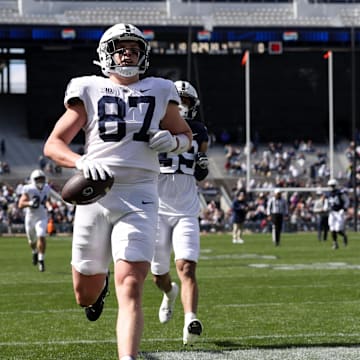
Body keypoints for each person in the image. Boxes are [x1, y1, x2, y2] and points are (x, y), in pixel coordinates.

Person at [43, 23, 192, 360]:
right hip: (94, 192)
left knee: (132, 284)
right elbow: (53, 145)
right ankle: (99, 287)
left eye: (135, 49)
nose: (129, 53)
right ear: (105, 53)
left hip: (140, 192)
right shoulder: (89, 88)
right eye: (121, 48)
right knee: (84, 294)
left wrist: (175, 141)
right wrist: (80, 162)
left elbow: (186, 135)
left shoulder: (160, 89)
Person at [151, 80, 209, 346]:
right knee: (158, 275)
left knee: (186, 267)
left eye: (186, 101)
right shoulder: (152, 126)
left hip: (186, 209)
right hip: (157, 210)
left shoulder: (199, 133)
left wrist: (202, 164)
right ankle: (169, 294)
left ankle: (190, 319)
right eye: (178, 101)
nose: (182, 106)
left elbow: (201, 173)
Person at [18, 169, 63, 272]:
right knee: (32, 241)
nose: (40, 181)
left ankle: (41, 260)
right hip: (30, 218)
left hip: (42, 216)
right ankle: (34, 251)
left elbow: (51, 198)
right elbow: (20, 204)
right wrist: (30, 203)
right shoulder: (28, 189)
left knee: (41, 236)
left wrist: (50, 206)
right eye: (38, 179)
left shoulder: (47, 188)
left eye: (42, 178)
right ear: (33, 180)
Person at [327, 179, 349, 250]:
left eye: (333, 186)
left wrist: (344, 208)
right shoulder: (328, 194)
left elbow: (346, 201)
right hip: (332, 212)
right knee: (332, 228)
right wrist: (326, 208)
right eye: (330, 186)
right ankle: (335, 243)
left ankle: (344, 236)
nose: (331, 187)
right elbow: (327, 202)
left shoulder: (340, 193)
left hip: (339, 212)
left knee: (338, 229)